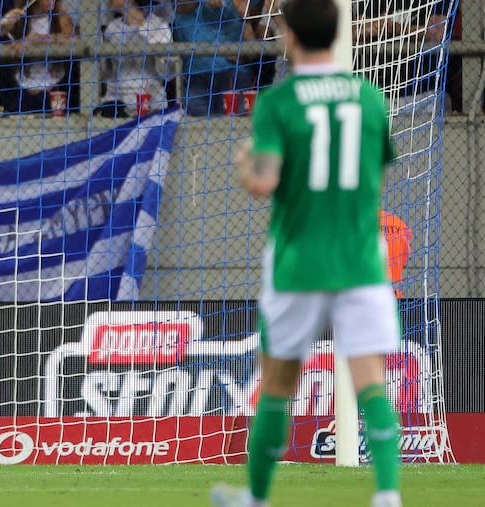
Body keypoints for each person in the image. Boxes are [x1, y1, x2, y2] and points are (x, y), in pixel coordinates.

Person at [210, 1, 403, 506]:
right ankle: (386, 495)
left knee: (276, 383)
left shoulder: (279, 103)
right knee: (372, 384)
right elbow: (378, 176)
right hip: (359, 259)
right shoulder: (369, 97)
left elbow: (263, 181)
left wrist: (245, 163)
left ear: (290, 36)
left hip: (297, 261)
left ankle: (255, 498)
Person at [0, 0, 78, 114]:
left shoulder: (59, 17)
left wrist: (36, 39)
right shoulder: (21, 18)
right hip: (22, 88)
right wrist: (4, 22)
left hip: (54, 88)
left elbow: (74, 39)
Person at [173, 0, 257, 116]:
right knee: (197, 130)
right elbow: (181, 6)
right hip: (196, 77)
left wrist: (246, 19)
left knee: (238, 130)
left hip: (234, 75)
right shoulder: (185, 6)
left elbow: (254, 51)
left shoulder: (238, 3)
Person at [95, 0, 173, 118]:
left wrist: (148, 34)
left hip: (150, 103)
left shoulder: (158, 26)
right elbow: (105, 72)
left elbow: (169, 74)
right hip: (116, 103)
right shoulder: (112, 27)